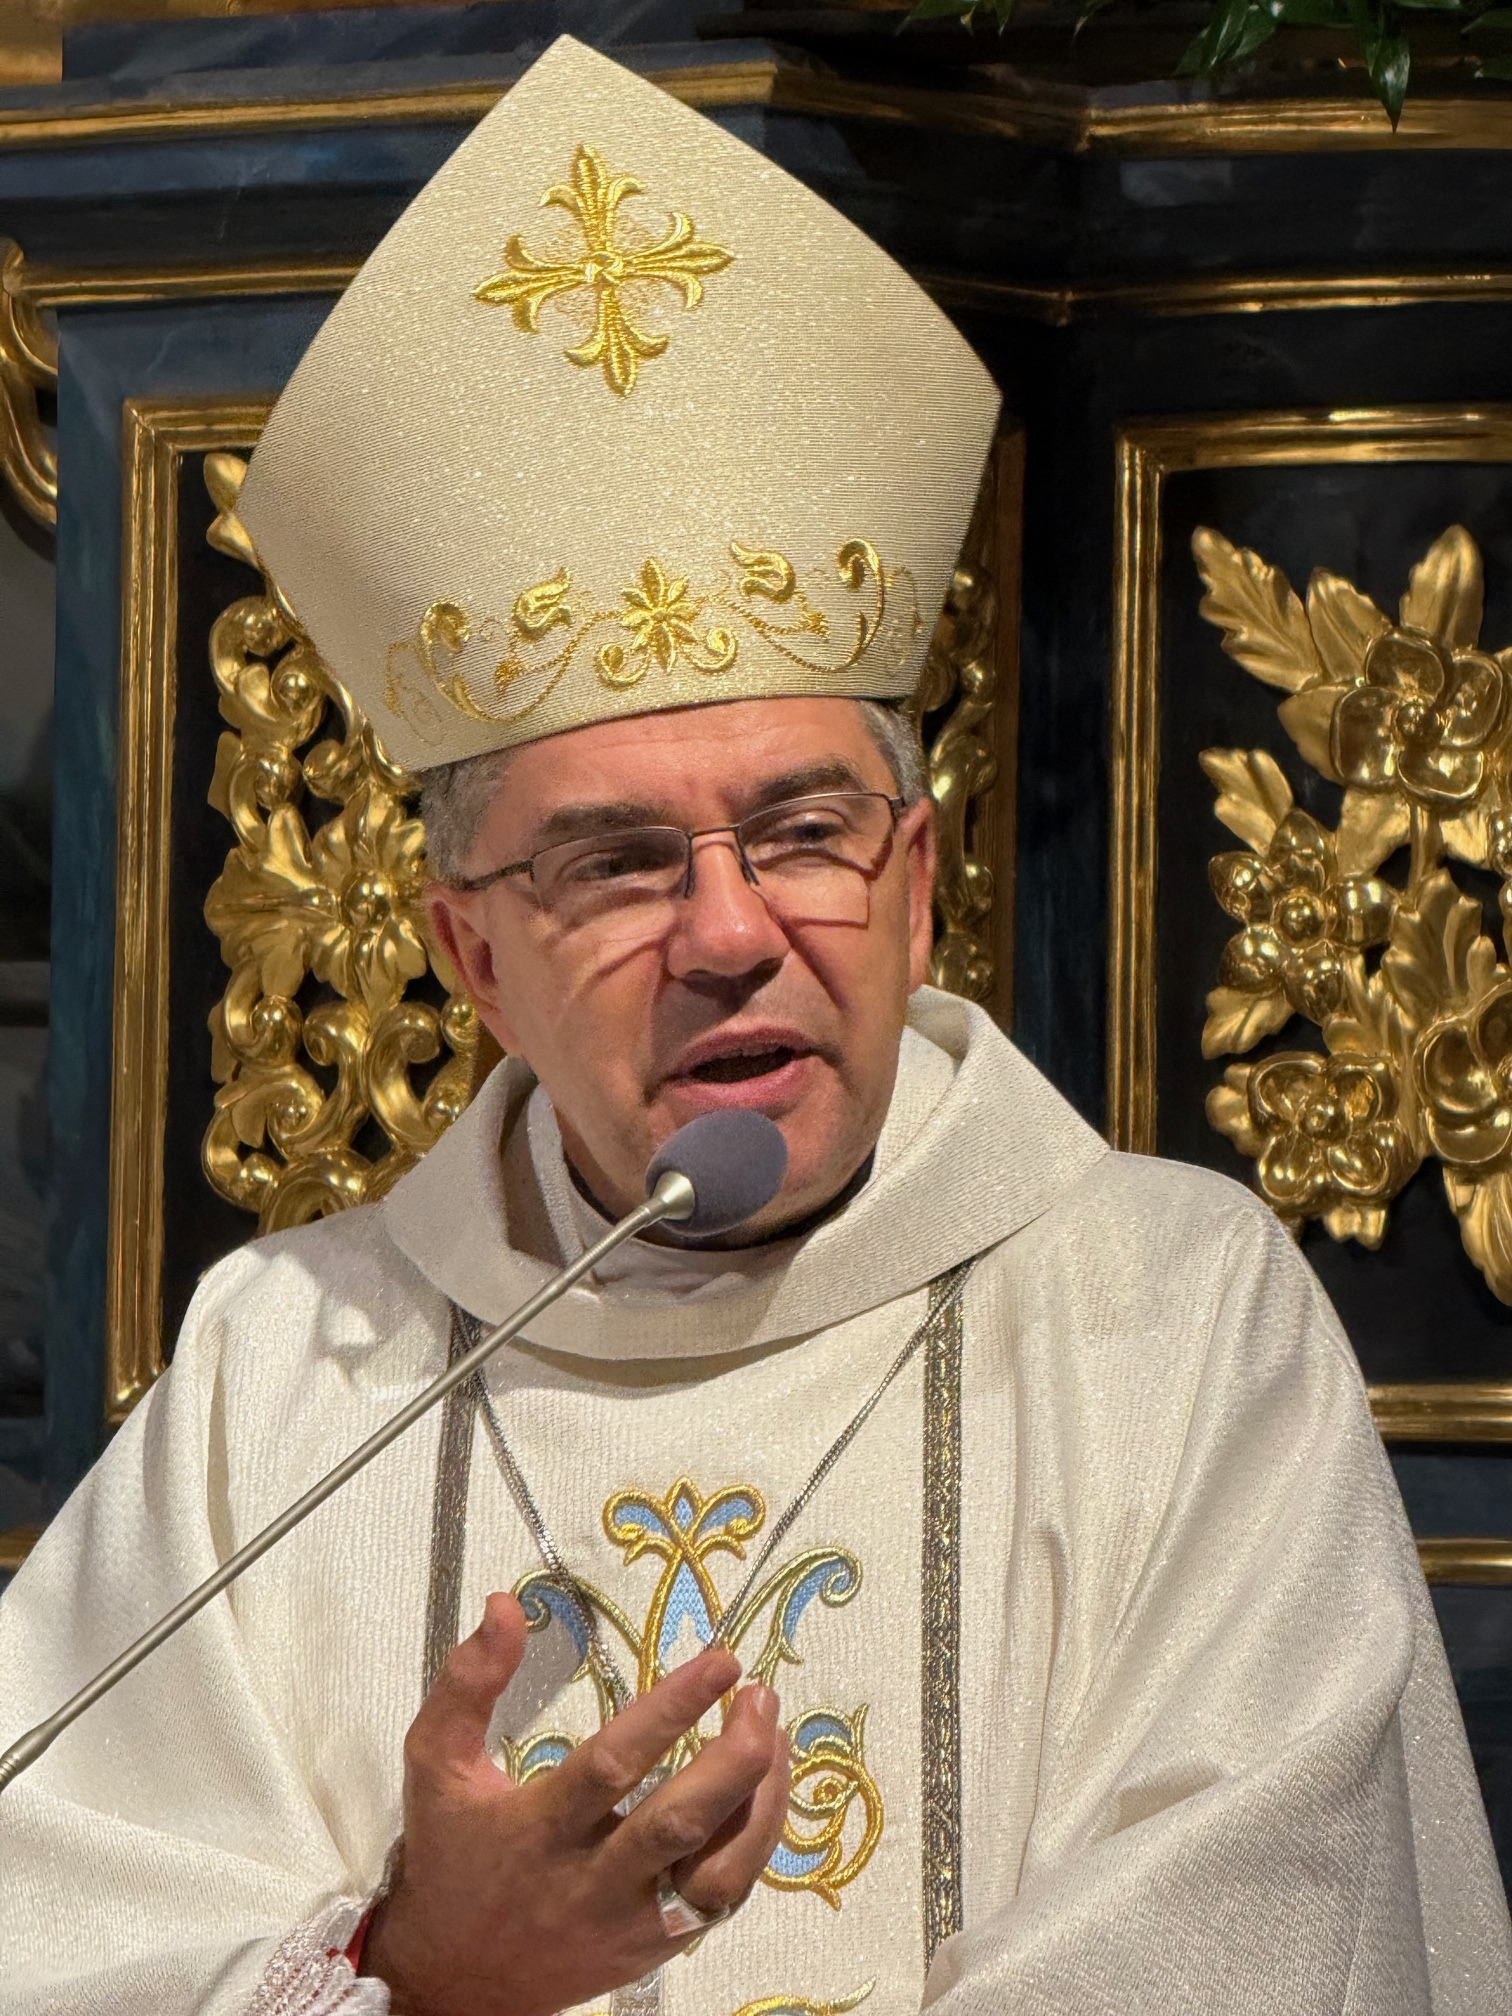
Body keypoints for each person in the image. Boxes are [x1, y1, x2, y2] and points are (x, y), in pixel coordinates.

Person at [1, 34, 1508, 2016]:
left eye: (805, 834)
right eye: (618, 864)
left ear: (917, 880)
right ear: (470, 961)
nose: (733, 931)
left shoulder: (1169, 1320)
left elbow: (1245, 1933)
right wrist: (413, 1971)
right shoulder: (282, 1377)